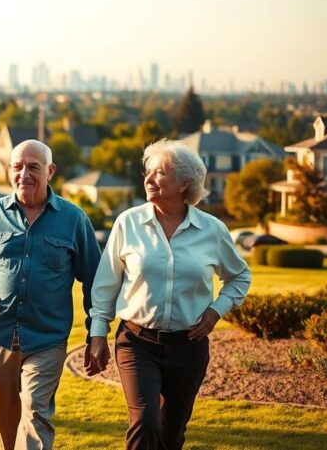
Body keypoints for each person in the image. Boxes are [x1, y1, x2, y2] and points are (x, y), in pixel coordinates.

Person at [86, 139, 251, 450]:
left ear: (185, 182)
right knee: (145, 422)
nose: (148, 179)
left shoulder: (212, 230)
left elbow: (239, 275)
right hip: (137, 342)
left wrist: (216, 311)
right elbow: (105, 285)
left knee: (171, 433)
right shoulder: (128, 223)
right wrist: (97, 335)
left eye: (160, 173)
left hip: (188, 348)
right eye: (147, 172)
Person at [0, 139, 101, 450]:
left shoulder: (74, 220)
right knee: (6, 418)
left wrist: (96, 335)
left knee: (36, 413)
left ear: (50, 171)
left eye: (33, 167)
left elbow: (94, 281)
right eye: (17, 167)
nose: (24, 174)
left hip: (47, 338)